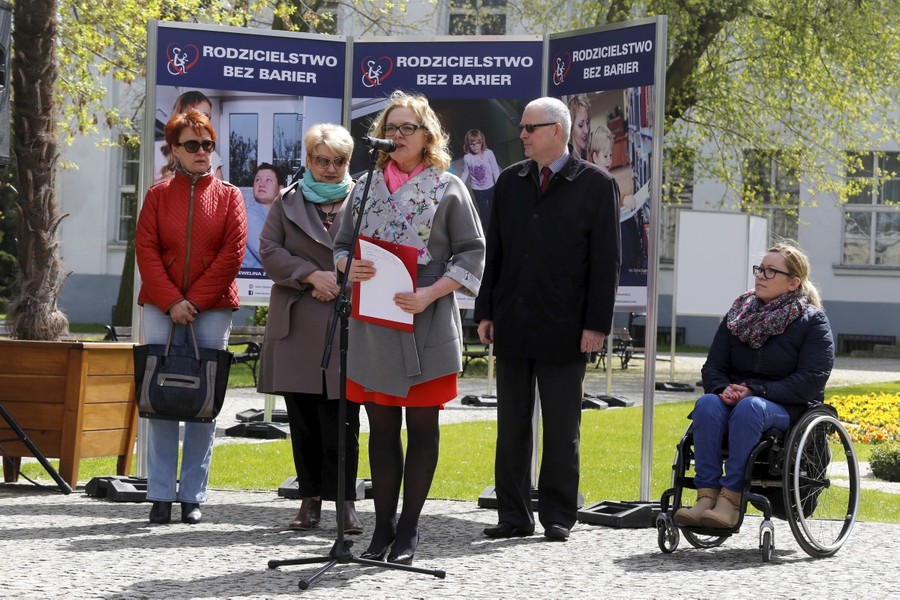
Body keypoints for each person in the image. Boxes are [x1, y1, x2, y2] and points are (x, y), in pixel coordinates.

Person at [333, 91, 485, 565]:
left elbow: (472, 253)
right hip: (375, 317)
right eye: (391, 127)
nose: (397, 136)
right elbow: (340, 247)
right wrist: (348, 266)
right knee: (379, 427)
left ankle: (411, 530)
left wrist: (430, 293)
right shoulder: (363, 186)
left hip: (426, 314)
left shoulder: (449, 187)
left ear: (427, 137)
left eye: (407, 128)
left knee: (422, 426)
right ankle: (382, 527)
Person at [475, 97, 620, 542]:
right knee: (512, 426)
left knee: (561, 428)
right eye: (522, 127)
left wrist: (596, 325)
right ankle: (513, 515)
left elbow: (605, 262)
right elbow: (494, 253)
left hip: (566, 327)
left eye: (529, 128)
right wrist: (485, 310)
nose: (521, 135)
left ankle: (558, 515)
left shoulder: (595, 184)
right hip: (514, 322)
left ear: (556, 131)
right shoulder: (509, 181)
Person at [135, 109, 247, 525]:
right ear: (174, 151)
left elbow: (232, 255)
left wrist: (194, 301)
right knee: (159, 397)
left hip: (212, 307)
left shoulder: (231, 195)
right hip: (162, 305)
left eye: (208, 144)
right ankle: (161, 494)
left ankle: (193, 495)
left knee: (203, 402)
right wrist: (170, 301)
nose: (203, 152)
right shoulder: (157, 195)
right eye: (193, 145)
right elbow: (146, 251)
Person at [674, 242, 835, 529]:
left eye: (771, 271)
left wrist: (755, 391)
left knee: (750, 407)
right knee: (708, 404)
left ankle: (730, 500)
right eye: (760, 269)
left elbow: (811, 380)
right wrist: (723, 389)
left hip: (786, 407)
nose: (761, 275)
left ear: (793, 283)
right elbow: (713, 367)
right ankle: (705, 496)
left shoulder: (812, 321)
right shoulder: (738, 315)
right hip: (738, 399)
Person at [256, 124, 363, 535]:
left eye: (339, 161)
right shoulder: (287, 202)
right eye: (323, 160)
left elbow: (376, 253)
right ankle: (310, 500)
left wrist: (340, 281)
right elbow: (269, 251)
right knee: (302, 420)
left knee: (343, 420)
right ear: (308, 161)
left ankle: (346, 504)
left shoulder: (364, 200)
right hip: (298, 321)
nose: (331, 168)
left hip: (346, 321)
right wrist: (310, 276)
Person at [155, 90, 225, 185]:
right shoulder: (155, 151)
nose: (205, 123)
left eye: (208, 118)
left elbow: (220, 196)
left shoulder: (212, 156)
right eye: (201, 116)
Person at [243, 163, 285, 270]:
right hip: (252, 283)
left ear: (280, 189)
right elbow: (267, 254)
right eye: (258, 180)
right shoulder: (249, 215)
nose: (261, 184)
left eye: (268, 180)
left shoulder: (279, 216)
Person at [459, 128, 501, 231]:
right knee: (484, 211)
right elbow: (465, 172)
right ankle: (487, 230)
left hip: (491, 187)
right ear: (468, 144)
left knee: (494, 208)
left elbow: (495, 170)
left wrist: (499, 185)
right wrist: (459, 185)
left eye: (478, 143)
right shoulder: (467, 158)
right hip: (477, 189)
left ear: (482, 142)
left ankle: (497, 227)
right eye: (472, 144)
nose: (475, 146)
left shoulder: (489, 153)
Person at [567, 94, 592, 161]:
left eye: (587, 123)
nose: (586, 130)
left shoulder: (587, 157)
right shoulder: (566, 162)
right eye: (581, 125)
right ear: (571, 127)